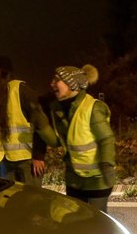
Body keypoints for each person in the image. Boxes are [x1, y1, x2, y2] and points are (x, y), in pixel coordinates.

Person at [0, 54, 58, 185]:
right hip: (3, 163)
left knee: (32, 197)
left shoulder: (19, 90)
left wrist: (38, 155)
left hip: (27, 160)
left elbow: (39, 122)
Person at [47, 64, 117, 213]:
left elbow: (106, 139)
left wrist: (107, 166)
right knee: (77, 221)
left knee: (97, 222)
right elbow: (56, 141)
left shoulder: (92, 107)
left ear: (71, 84)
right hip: (74, 180)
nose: (52, 83)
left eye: (57, 80)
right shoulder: (58, 109)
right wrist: (41, 124)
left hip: (97, 180)